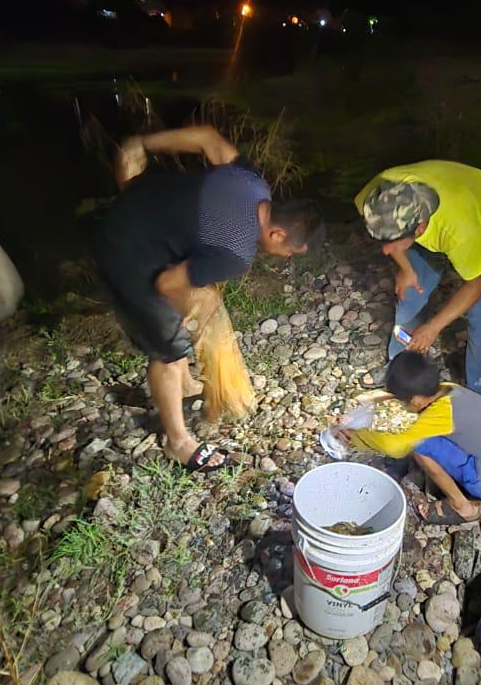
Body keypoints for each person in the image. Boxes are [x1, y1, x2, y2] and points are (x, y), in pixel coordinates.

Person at [90, 123, 322, 472]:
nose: (287, 257)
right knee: (167, 346)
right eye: (290, 251)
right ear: (276, 233)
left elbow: (207, 137)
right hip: (123, 247)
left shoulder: (251, 181)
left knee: (188, 312)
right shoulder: (235, 252)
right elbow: (168, 284)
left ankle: (184, 385)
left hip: (137, 206)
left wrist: (143, 141)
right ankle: (177, 441)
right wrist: (200, 320)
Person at [354, 159, 481, 403]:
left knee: (479, 310)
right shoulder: (376, 199)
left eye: (394, 243)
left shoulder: (457, 230)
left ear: (419, 229)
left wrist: (433, 327)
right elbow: (390, 238)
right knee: (409, 295)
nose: (386, 251)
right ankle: (400, 371)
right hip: (447, 195)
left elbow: (477, 282)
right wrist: (406, 268)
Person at [340, 350, 481, 523]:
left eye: (403, 401)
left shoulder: (442, 413)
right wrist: (376, 399)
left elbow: (395, 447)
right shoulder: (449, 390)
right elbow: (418, 399)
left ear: (415, 400)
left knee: (419, 445)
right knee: (422, 437)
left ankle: (462, 506)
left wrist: (357, 437)